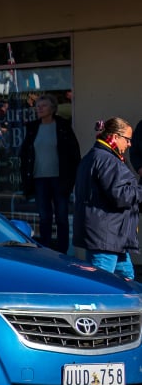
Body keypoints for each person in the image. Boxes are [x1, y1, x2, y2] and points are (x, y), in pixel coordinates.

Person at [72, 118, 141, 279]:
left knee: (127, 281)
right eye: (128, 139)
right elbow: (121, 196)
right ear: (116, 137)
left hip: (113, 236)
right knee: (101, 285)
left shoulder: (96, 156)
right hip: (106, 237)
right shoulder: (108, 160)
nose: (130, 144)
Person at [18, 94, 80, 252]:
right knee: (44, 217)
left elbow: (73, 153)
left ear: (52, 108)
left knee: (61, 217)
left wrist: (71, 178)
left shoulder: (63, 126)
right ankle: (45, 251)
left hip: (60, 178)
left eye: (43, 105)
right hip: (40, 178)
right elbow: (25, 153)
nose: (39, 108)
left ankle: (62, 252)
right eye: (38, 105)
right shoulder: (32, 127)